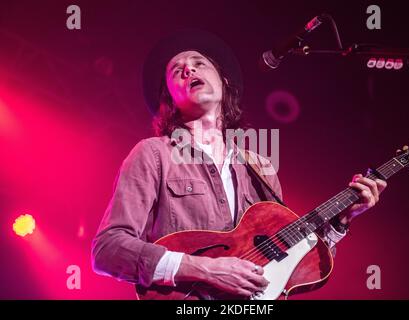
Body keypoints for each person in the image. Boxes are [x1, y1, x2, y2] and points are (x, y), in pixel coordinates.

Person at [91, 29, 387, 299]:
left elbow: (288, 262)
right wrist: (204, 269)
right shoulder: (153, 154)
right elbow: (108, 250)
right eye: (176, 70)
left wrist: (341, 221)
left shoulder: (259, 167)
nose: (188, 69)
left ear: (224, 83)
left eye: (198, 63)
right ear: (170, 98)